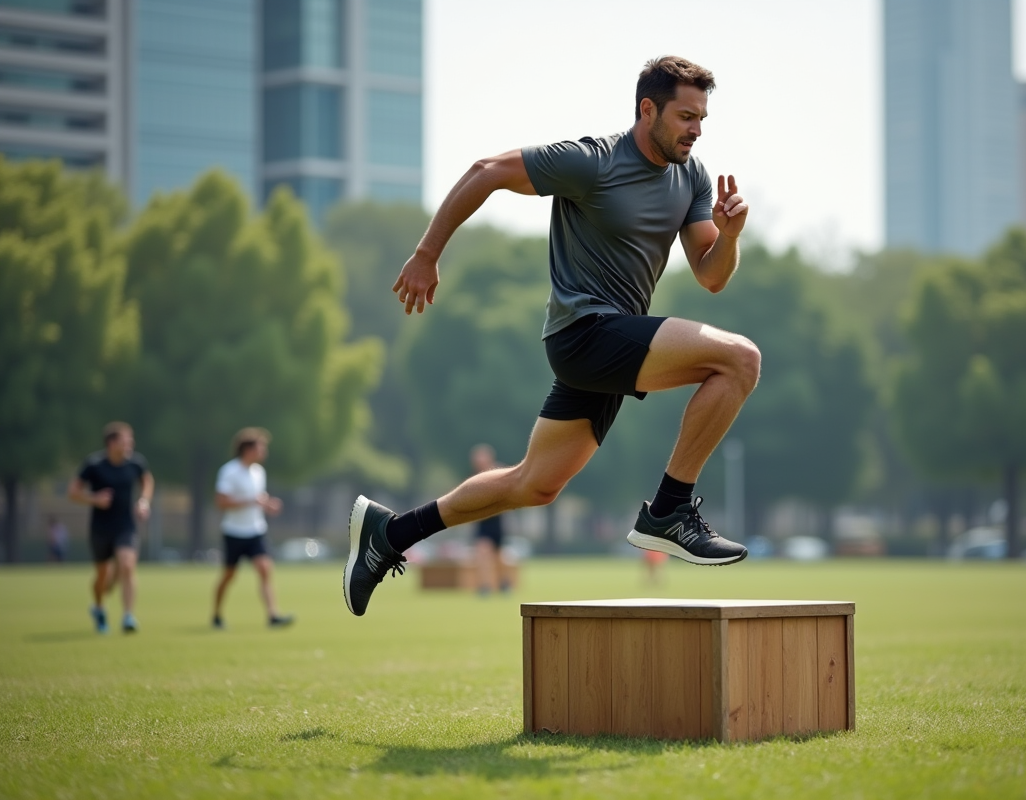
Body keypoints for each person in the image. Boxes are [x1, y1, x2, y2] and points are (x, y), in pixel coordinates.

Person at [344, 55, 758, 617]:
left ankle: (389, 534)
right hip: (584, 332)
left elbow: (711, 276)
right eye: (686, 116)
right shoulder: (591, 161)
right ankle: (670, 510)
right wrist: (426, 253)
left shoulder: (692, 177)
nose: (697, 130)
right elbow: (486, 170)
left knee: (534, 484)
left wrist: (729, 237)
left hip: (611, 349)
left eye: (702, 119)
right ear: (648, 109)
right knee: (739, 360)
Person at [69, 421, 154, 633]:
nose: (130, 444)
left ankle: (128, 616)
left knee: (127, 565)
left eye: (131, 440)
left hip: (126, 525)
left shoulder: (135, 463)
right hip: (101, 528)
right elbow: (73, 492)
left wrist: (143, 501)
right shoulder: (94, 465)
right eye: (126, 440)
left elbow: (146, 481)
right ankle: (98, 608)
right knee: (103, 577)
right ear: (111, 443)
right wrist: (94, 499)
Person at [212, 428, 294, 629]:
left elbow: (258, 499)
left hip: (256, 531)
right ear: (247, 450)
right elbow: (221, 502)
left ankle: (273, 615)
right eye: (260, 448)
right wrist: (250, 501)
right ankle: (217, 614)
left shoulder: (258, 472)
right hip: (234, 531)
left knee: (265, 569)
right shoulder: (229, 471)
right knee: (229, 575)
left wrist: (268, 505)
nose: (264, 452)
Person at [469, 444, 510, 595]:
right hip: (482, 521)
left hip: (497, 520)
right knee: (482, 553)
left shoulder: (498, 473)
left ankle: (504, 583)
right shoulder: (474, 478)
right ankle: (484, 586)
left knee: (499, 556)